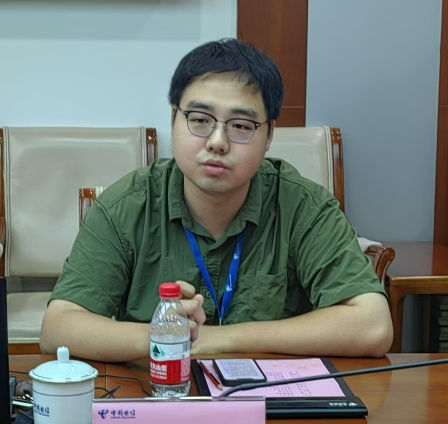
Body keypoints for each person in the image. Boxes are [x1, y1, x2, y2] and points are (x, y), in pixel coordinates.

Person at [40, 38, 393, 362]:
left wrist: (219, 339)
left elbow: (373, 326)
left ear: (269, 135)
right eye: (200, 120)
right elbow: (59, 327)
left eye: (240, 126)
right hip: (160, 393)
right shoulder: (127, 206)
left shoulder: (304, 208)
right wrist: (165, 335)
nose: (217, 142)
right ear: (174, 119)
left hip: (270, 400)